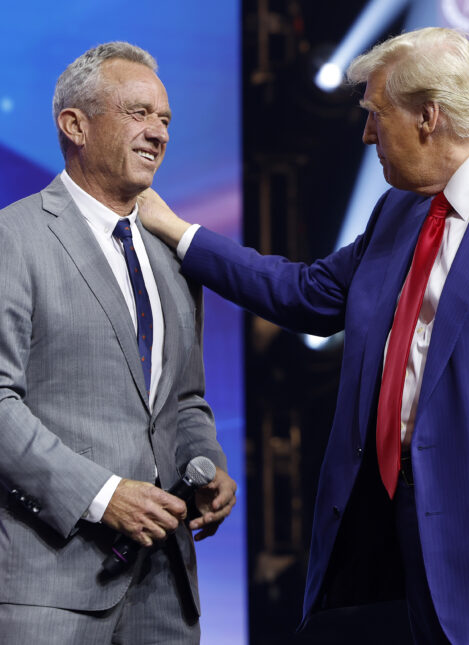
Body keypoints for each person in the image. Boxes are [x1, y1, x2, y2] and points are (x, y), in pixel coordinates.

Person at [140, 27, 469, 644]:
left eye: (376, 113)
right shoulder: (399, 211)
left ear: (429, 115)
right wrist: (176, 230)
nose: (366, 133)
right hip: (390, 548)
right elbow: (305, 294)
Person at [0, 42, 236, 644]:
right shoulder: (14, 238)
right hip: (49, 588)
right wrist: (101, 497)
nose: (157, 132)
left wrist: (204, 461)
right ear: (74, 124)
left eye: (165, 119)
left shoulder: (173, 256)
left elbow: (182, 399)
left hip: (164, 590)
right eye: (137, 113)